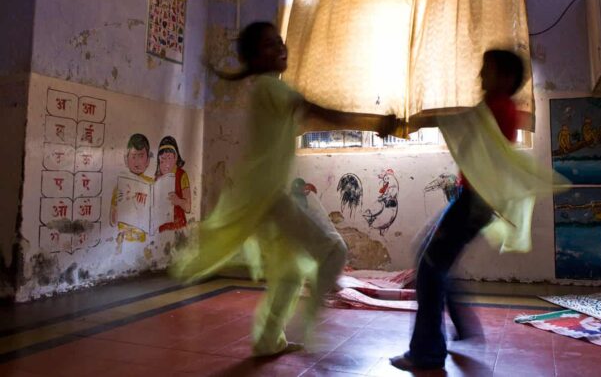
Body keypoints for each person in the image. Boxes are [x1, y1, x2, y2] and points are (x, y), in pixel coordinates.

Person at [171, 21, 395, 357]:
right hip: (268, 200)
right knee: (333, 250)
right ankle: (310, 323)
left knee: (289, 275)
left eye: (279, 42)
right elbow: (324, 114)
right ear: (253, 59)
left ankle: (267, 341)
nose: (280, 49)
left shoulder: (269, 91)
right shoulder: (271, 90)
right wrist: (375, 123)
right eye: (268, 46)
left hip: (266, 200)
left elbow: (314, 118)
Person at [391, 49, 568, 371]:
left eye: (486, 70)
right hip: (474, 200)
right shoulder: (500, 108)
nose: (479, 76)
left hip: (474, 203)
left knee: (430, 268)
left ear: (505, 78)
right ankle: (460, 325)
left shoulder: (497, 108)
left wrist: (408, 121)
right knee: (433, 259)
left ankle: (427, 353)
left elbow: (460, 123)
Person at [110, 133, 153, 246]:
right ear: (126, 159)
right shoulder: (121, 186)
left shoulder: (152, 185)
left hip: (144, 242)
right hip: (124, 241)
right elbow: (113, 221)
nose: (137, 162)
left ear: (148, 160)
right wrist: (116, 206)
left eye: (141, 156)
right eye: (133, 156)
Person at [154, 136, 191, 232]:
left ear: (176, 158)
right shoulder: (158, 178)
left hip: (178, 228)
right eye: (162, 160)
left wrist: (178, 201)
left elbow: (188, 207)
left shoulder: (182, 175)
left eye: (169, 158)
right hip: (161, 229)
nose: (165, 163)